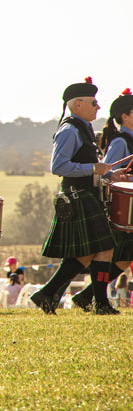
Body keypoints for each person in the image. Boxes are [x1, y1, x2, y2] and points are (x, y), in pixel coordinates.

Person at [31, 78, 125, 315]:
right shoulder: (69, 130)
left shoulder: (82, 129)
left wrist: (111, 174)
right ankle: (86, 300)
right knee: (96, 249)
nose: (98, 107)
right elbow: (58, 166)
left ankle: (90, 301)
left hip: (88, 193)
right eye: (94, 103)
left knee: (101, 249)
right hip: (76, 196)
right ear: (77, 105)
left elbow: (89, 166)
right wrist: (94, 168)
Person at [71, 88, 133, 311]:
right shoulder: (121, 142)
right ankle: (78, 296)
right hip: (121, 210)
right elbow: (107, 174)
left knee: (124, 258)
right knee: (118, 256)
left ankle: (85, 296)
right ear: (124, 116)